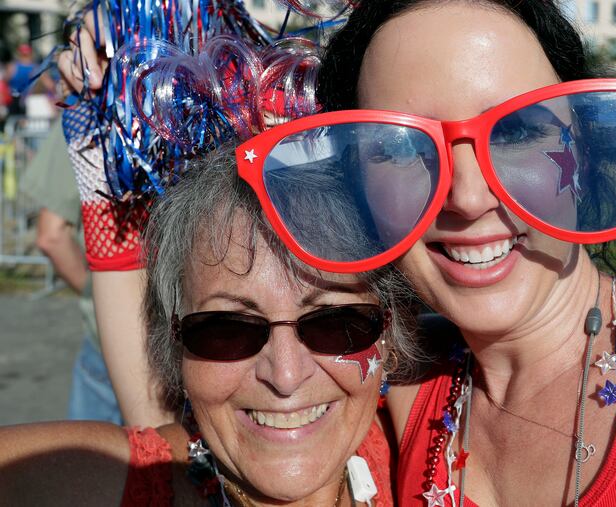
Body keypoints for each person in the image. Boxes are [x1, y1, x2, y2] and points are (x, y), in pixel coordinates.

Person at [229, 1, 616, 505]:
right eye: (398, 146)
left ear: (588, 149)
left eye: (518, 130)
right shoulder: (388, 383)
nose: (467, 196)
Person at [1, 144, 408, 505]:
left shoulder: (425, 449)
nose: (285, 376)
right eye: (227, 330)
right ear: (176, 344)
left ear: (389, 333)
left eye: (336, 323)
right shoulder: (126, 482)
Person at [20, 117, 122, 424]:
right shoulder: (212, 96)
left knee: (92, 464)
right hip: (193, 340)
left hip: (107, 335)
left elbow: (51, 235)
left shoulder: (89, 111)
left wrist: (100, 296)